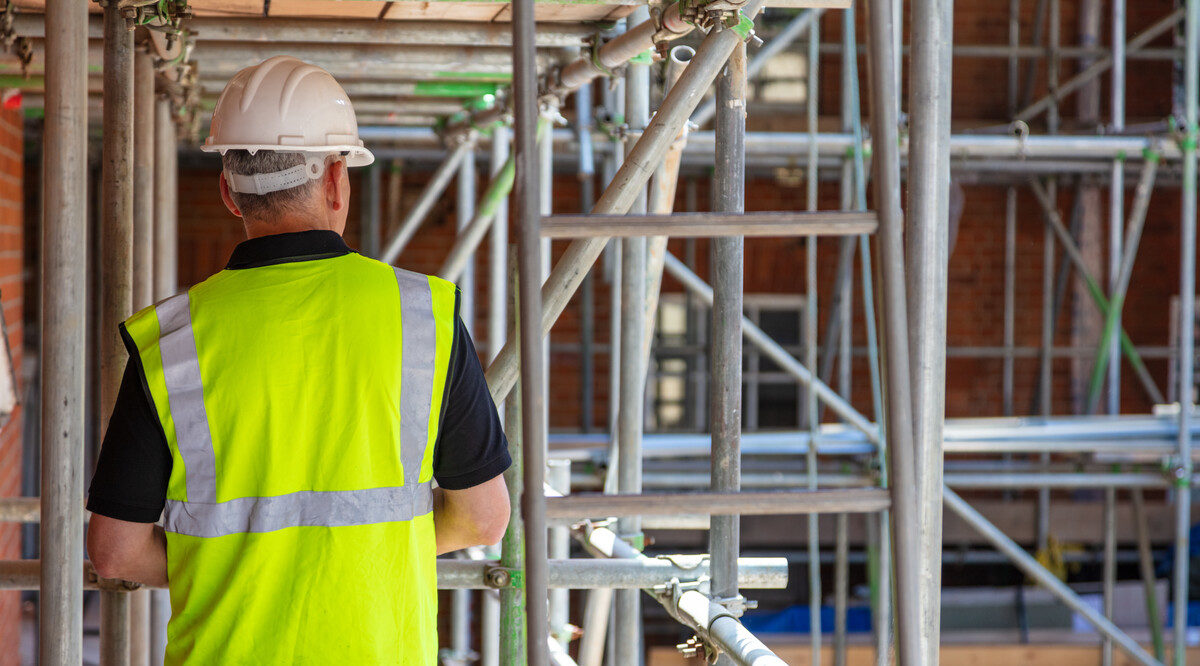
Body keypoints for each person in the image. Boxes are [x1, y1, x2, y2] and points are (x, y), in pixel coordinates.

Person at [84, 55, 511, 665]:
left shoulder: (172, 339)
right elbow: (481, 519)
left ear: (229, 192)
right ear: (338, 179)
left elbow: (116, 552)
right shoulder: (423, 315)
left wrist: (241, 567)